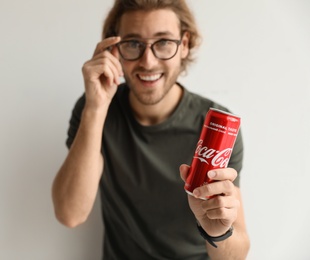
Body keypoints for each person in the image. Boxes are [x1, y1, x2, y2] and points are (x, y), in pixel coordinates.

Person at [52, 0, 250, 259]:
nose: (148, 61)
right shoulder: (96, 108)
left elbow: (237, 254)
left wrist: (217, 233)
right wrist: (96, 107)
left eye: (163, 42)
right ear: (114, 50)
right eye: (133, 43)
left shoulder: (216, 125)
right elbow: (70, 214)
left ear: (185, 44)